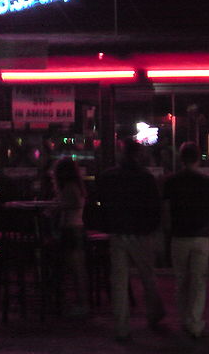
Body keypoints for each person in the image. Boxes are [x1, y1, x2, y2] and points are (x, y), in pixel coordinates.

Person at [96, 137, 165, 342]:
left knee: (119, 280)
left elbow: (101, 203)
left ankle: (122, 327)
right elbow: (154, 207)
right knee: (147, 277)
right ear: (138, 155)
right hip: (140, 232)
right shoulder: (145, 178)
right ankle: (154, 313)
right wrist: (152, 228)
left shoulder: (108, 176)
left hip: (118, 231)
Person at [163, 142, 209, 341]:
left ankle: (185, 320)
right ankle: (195, 323)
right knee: (198, 282)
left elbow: (167, 211)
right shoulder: (208, 182)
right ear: (198, 158)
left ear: (181, 158)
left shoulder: (171, 182)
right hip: (201, 237)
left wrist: (169, 232)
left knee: (181, 281)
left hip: (179, 236)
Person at [52, 157, 89, 317]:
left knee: (75, 269)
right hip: (76, 228)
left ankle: (81, 304)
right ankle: (80, 303)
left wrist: (57, 207)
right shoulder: (76, 186)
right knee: (76, 269)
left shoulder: (69, 187)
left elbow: (72, 203)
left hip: (71, 229)